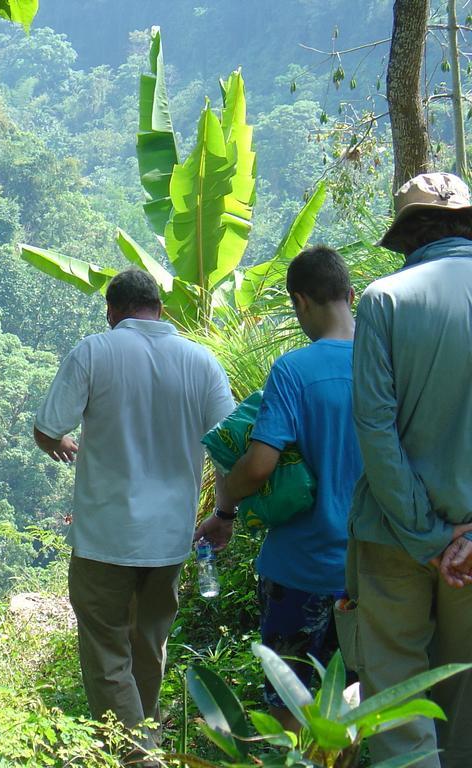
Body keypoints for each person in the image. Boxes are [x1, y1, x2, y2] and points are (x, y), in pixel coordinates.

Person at [33, 268, 235, 752]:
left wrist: (62, 442)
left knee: (106, 651)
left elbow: (46, 428)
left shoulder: (95, 352)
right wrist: (223, 515)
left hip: (105, 536)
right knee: (149, 647)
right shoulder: (200, 361)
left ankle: (138, 757)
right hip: (170, 540)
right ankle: (145, 743)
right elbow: (230, 445)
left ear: (112, 313)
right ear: (159, 309)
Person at [194, 245, 363, 731]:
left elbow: (259, 467)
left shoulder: (294, 370)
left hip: (300, 568)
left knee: (290, 701)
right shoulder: (388, 364)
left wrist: (224, 510)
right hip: (371, 569)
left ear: (300, 302)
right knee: (355, 700)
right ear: (350, 295)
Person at [348, 172, 472, 768]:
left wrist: (427, 537)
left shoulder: (384, 299)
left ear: (406, 237)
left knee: (399, 705)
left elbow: (375, 429)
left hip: (394, 538)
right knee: (465, 712)